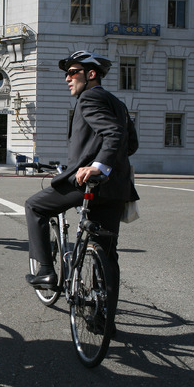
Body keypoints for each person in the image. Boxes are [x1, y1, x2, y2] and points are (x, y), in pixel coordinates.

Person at [24, 51, 138, 325]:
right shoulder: (119, 104)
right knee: (107, 253)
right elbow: (129, 144)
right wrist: (103, 162)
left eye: (73, 72)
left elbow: (113, 134)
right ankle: (104, 320)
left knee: (34, 206)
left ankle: (47, 271)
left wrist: (97, 165)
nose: (67, 78)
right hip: (116, 189)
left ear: (91, 74)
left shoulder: (89, 97)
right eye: (66, 73)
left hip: (90, 182)